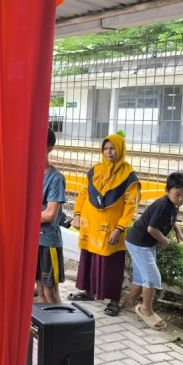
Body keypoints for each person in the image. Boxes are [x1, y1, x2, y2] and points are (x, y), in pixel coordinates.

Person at [70, 134, 140, 316]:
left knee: (112, 264)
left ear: (121, 150)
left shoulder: (128, 175)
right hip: (90, 225)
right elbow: (83, 194)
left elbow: (131, 205)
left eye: (113, 148)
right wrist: (77, 215)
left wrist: (120, 228)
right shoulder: (95, 170)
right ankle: (88, 292)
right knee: (89, 259)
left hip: (111, 228)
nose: (109, 152)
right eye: (106, 148)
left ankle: (114, 301)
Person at [122, 172, 183, 329]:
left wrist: (178, 232)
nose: (181, 198)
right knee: (152, 277)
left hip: (143, 243)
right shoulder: (163, 206)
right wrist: (165, 241)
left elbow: (171, 221)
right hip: (139, 243)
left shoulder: (173, 204)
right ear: (167, 190)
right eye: (178, 194)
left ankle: (128, 303)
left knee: (141, 276)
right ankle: (145, 309)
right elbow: (152, 228)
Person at [38, 128, 66, 304]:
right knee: (40, 290)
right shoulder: (29, 174)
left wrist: (23, 217)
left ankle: (61, 330)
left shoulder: (55, 178)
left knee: (50, 292)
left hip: (48, 243)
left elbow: (49, 214)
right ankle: (43, 330)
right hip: (34, 241)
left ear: (50, 147)